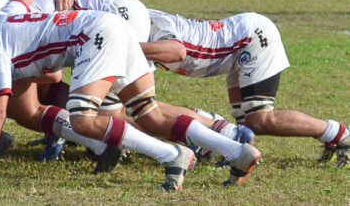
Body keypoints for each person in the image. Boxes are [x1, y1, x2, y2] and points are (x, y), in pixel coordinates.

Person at [0, 0, 262, 189]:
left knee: (82, 120)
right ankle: (236, 152)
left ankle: (174, 155)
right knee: (150, 115)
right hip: (113, 27)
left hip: (94, 36)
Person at [142, 9, 350, 166]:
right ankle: (234, 153)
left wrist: (131, 47)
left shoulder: (142, 22)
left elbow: (177, 52)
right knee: (244, 125)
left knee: (260, 120)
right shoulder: (131, 19)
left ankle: (341, 134)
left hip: (250, 38)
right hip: (235, 45)